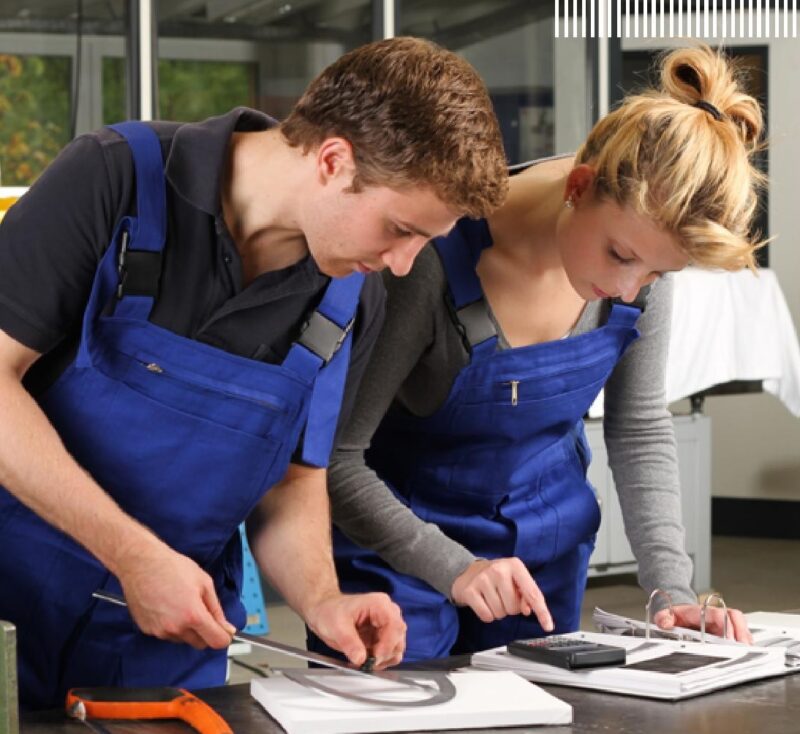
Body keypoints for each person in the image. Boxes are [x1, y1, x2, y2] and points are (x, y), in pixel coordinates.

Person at [0, 37, 508, 708]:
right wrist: (133, 556)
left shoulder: (356, 296)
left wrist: (322, 599)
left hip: (168, 640)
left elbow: (295, 480)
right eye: (400, 228)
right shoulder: (112, 178)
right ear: (333, 160)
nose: (405, 262)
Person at [315, 45, 764, 662]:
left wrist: (671, 589)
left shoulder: (643, 261)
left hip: (542, 560)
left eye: (658, 275)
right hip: (396, 560)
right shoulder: (426, 263)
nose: (630, 289)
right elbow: (336, 460)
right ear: (579, 186)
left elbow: (638, 429)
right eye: (621, 256)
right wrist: (455, 566)